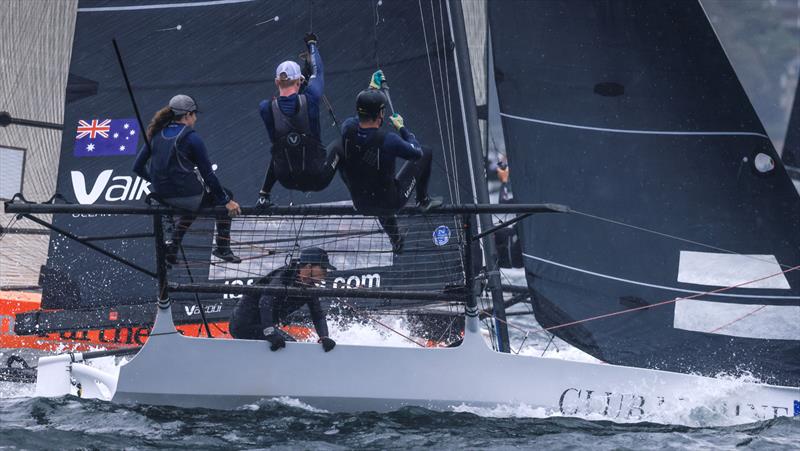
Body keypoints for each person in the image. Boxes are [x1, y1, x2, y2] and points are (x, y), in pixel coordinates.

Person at [338, 71, 441, 253]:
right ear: (381, 114)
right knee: (426, 152)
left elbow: (360, 118)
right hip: (390, 202)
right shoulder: (389, 140)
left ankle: (396, 240)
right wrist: (402, 128)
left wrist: (372, 90)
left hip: (361, 202)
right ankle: (423, 200)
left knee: (374, 185)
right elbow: (416, 152)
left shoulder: (348, 129)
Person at [133, 94, 242, 264]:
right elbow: (208, 174)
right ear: (187, 115)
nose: (196, 118)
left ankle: (173, 249)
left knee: (192, 204)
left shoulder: (155, 135)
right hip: (188, 197)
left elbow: (137, 167)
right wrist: (226, 201)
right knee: (224, 195)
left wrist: (156, 182)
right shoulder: (192, 138)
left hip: (164, 197)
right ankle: (223, 248)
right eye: (194, 114)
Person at [256, 32, 340, 207]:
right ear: (300, 81)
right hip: (317, 178)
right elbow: (319, 71)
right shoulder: (312, 97)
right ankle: (358, 196)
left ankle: (264, 195)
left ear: (276, 82)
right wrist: (312, 44)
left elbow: (288, 108)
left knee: (280, 146)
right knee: (342, 145)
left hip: (286, 179)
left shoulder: (265, 108)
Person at [228, 247, 337, 352]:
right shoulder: (285, 277)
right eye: (322, 268)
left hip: (262, 326)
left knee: (291, 346)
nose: (325, 272)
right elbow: (265, 301)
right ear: (309, 267)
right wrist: (269, 332)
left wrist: (324, 337)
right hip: (243, 324)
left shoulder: (310, 287)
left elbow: (317, 314)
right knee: (292, 348)